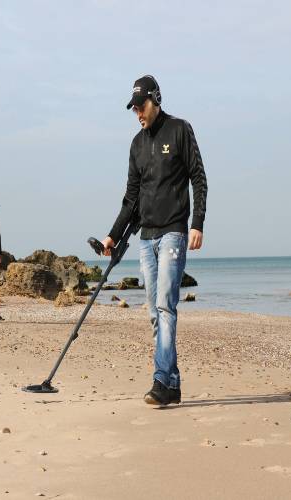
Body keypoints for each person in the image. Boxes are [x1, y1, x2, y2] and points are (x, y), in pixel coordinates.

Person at [102, 75, 208, 406]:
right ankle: (172, 385)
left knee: (165, 305)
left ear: (156, 100)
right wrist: (113, 234)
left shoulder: (179, 130)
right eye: (134, 109)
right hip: (146, 238)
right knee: (154, 312)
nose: (138, 113)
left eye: (141, 106)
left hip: (174, 231)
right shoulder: (136, 144)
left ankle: (161, 380)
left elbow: (198, 178)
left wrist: (197, 223)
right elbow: (131, 198)